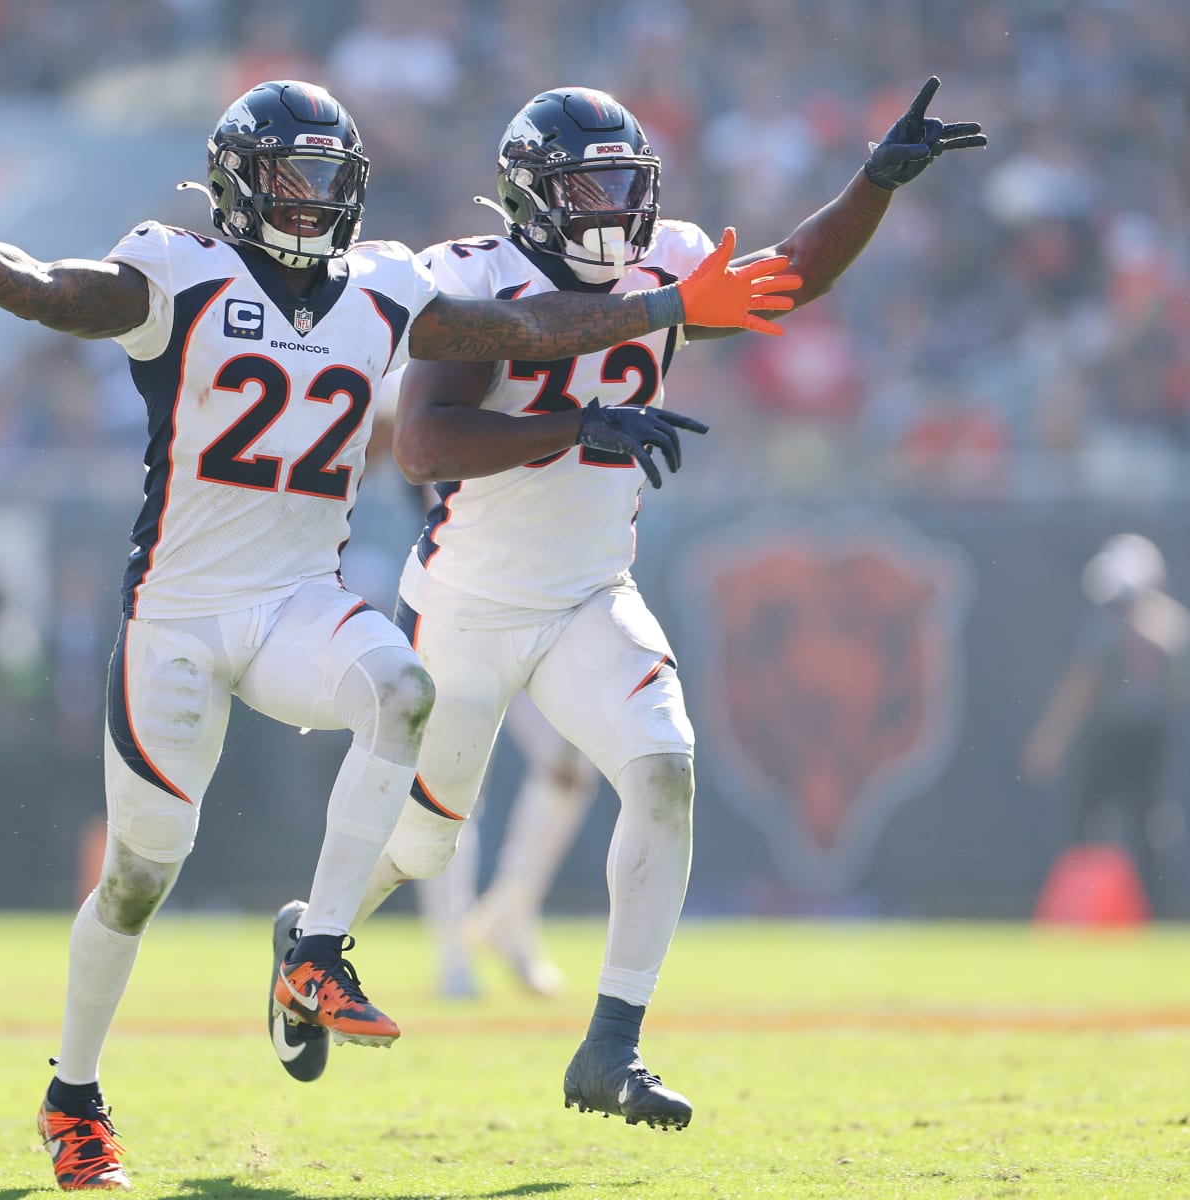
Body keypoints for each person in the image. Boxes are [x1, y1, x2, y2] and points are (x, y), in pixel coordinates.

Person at [0, 79, 796, 1191]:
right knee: (140, 879)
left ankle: (316, 951)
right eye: (289, 175)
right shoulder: (179, 273)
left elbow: (525, 328)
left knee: (400, 686)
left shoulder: (381, 284)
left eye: (329, 177)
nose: (310, 199)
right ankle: (73, 1099)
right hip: (178, 617)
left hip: (294, 597)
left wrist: (670, 307)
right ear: (235, 182)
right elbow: (46, 289)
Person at [268, 79, 986, 1131]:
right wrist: (576, 428)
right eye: (587, 184)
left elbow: (785, 279)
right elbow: (424, 445)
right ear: (530, 198)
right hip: (467, 601)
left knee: (662, 770)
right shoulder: (469, 277)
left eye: (622, 182)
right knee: (425, 843)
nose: (611, 205)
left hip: (588, 596)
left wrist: (870, 184)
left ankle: (611, 1046)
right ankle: (310, 941)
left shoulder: (669, 261)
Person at [1022, 533, 1189, 916]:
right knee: (1123, 825)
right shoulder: (1166, 627)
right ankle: (1101, 905)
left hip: (1128, 736)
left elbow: (1080, 686)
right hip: (1137, 736)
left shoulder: (1144, 628)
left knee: (1121, 825)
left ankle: (1120, 908)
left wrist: (1051, 738)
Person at [420, 691, 599, 999]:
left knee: (571, 768)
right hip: (462, 649)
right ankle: (454, 954)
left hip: (530, 648)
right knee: (453, 789)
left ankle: (510, 914)